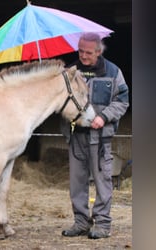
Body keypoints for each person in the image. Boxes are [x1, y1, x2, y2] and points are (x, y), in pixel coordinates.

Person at [60, 32, 129, 239]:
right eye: (80, 51)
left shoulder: (113, 72)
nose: (83, 56)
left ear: (98, 52)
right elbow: (61, 101)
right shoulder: (70, 72)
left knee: (102, 181)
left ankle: (103, 225)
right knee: (77, 182)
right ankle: (81, 222)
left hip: (100, 138)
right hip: (77, 136)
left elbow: (122, 101)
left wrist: (105, 116)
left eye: (88, 52)